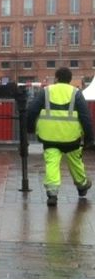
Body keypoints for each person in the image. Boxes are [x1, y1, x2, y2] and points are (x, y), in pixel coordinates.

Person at [27, 67, 94, 206]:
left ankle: (52, 194)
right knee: (76, 162)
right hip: (71, 137)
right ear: (70, 80)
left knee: (52, 163)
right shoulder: (76, 93)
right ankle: (82, 186)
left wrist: (30, 128)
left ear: (56, 78)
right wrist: (89, 138)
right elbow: (85, 116)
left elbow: (32, 110)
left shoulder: (46, 91)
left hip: (49, 136)